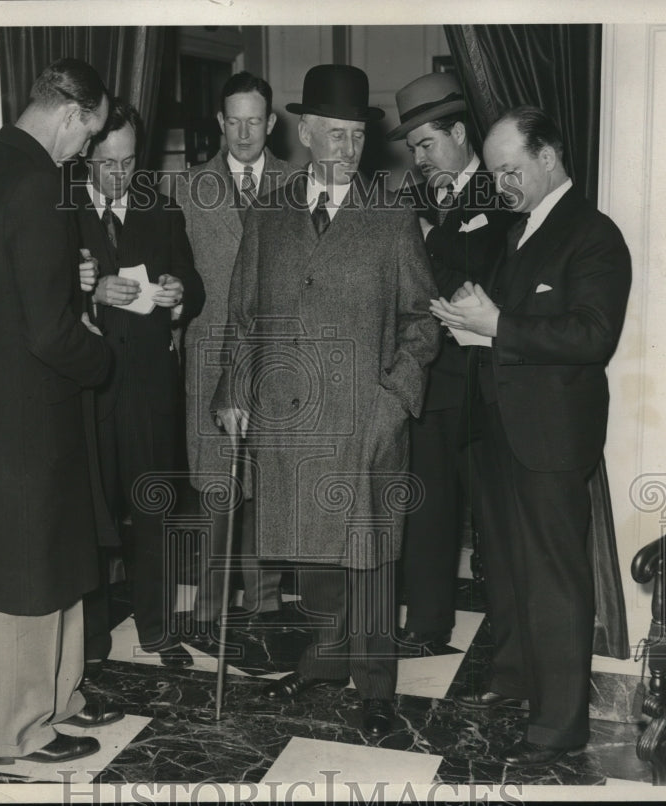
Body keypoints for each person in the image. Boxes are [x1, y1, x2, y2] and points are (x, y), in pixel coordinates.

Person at [213, 64, 440, 737]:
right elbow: (244, 313)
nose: (348, 148)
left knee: (368, 554)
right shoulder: (270, 214)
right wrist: (231, 389)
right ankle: (321, 663)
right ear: (305, 132)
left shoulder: (391, 216)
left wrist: (394, 399)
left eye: (357, 136)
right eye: (334, 134)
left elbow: (423, 320)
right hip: (290, 414)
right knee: (310, 551)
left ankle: (374, 685)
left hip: (366, 414)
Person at [0, 58, 123, 766]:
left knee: (54, 561)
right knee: (23, 581)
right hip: (28, 416)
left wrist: (60, 284)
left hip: (0, 406)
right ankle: (14, 732)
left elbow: (5, 285)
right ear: (70, 114)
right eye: (89, 135)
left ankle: (58, 700)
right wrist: (101, 359)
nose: (87, 151)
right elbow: (47, 333)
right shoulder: (41, 181)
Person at [431, 105, 631, 766]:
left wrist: (497, 328)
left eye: (511, 170)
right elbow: (511, 320)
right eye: (494, 174)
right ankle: (517, 680)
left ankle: (559, 724)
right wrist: (471, 322)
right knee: (511, 570)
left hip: (550, 437)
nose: (503, 184)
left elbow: (590, 337)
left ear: (549, 156)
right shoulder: (520, 229)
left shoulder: (593, 234)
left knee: (553, 580)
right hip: (500, 428)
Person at [388, 72, 515, 656]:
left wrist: (426, 243)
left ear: (460, 133)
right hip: (431, 380)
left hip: (486, 385)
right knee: (428, 507)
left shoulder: (500, 195)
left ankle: (510, 640)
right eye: (413, 149)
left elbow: (479, 283)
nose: (420, 159)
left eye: (427, 144)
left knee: (495, 518)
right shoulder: (409, 199)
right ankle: (427, 625)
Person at [74, 98, 204, 670]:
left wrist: (179, 295)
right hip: (89, 393)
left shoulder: (162, 210)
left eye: (128, 162)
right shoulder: (64, 212)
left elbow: (192, 281)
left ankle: (156, 629)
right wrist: (89, 292)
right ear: (86, 158)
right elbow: (42, 294)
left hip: (149, 388)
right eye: (107, 162)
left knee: (154, 512)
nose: (119, 174)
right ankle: (93, 639)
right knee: (92, 516)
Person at [175, 71, 295, 649]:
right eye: (233, 121)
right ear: (220, 123)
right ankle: (210, 607)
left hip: (276, 359)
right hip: (210, 358)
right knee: (219, 487)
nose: (244, 132)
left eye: (255, 120)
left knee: (268, 483)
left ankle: (267, 605)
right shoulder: (189, 187)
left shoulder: (300, 185)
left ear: (271, 123)